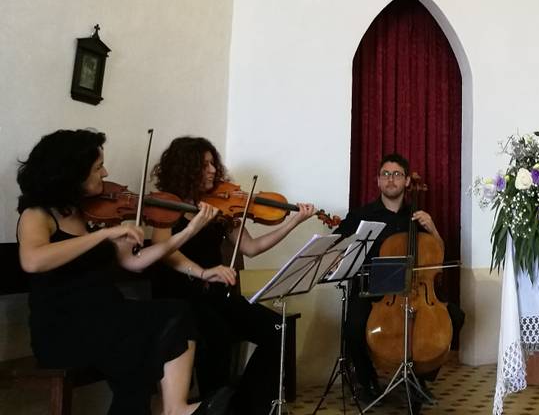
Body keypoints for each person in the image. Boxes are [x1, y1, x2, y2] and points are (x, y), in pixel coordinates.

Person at [16, 129, 232, 415]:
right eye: (97, 167)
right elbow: (32, 260)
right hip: (63, 327)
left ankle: (174, 409)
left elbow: (136, 262)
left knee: (175, 312)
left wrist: (189, 231)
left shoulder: (93, 213)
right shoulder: (38, 215)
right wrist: (102, 236)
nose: (105, 172)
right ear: (72, 172)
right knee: (136, 349)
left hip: (106, 314)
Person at [150, 136, 316, 415]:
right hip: (181, 298)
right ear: (185, 168)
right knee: (217, 334)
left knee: (279, 328)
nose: (213, 170)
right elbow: (164, 251)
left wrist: (292, 222)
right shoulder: (168, 204)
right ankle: (214, 404)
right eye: (204, 165)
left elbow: (252, 247)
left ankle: (244, 406)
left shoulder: (220, 207)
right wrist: (203, 271)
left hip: (215, 294)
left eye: (213, 163)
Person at [335, 153, 464, 410]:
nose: (390, 179)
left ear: (407, 182)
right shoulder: (361, 216)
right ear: (378, 181)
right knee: (353, 326)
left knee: (455, 317)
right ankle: (367, 382)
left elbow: (438, 256)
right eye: (385, 174)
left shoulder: (418, 218)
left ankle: (420, 377)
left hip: (416, 292)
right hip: (373, 293)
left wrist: (434, 229)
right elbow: (336, 246)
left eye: (396, 174)